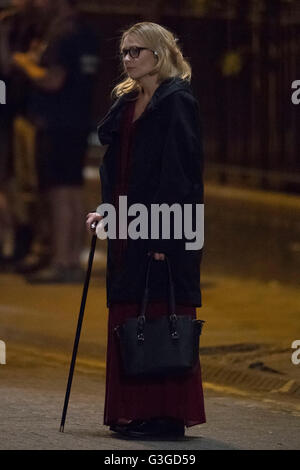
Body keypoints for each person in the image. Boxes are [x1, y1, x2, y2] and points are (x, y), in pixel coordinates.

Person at [86, 22, 205, 438]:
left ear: (159, 54)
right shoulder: (127, 100)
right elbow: (118, 165)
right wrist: (108, 212)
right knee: (128, 310)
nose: (128, 59)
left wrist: (163, 237)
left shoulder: (177, 101)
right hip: (126, 222)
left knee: (158, 312)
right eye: (124, 52)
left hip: (159, 226)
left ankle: (166, 415)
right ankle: (134, 411)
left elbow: (180, 173)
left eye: (136, 51)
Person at [13, 0, 99, 283]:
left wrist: (25, 64)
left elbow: (53, 80)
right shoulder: (87, 32)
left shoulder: (63, 36)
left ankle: (63, 262)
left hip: (58, 123)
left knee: (59, 194)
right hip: (77, 120)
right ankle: (71, 259)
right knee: (72, 192)